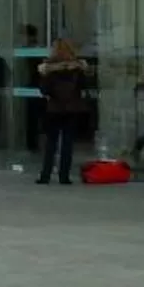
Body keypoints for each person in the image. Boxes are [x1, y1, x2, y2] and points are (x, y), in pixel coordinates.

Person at [36, 38, 89, 184]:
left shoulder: (49, 68)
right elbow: (83, 86)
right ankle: (64, 176)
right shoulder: (77, 68)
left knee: (51, 143)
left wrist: (43, 76)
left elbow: (44, 90)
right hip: (72, 108)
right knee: (67, 143)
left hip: (54, 109)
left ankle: (45, 175)